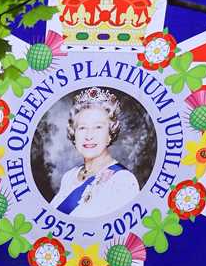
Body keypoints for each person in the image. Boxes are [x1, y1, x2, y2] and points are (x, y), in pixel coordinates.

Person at [54, 89, 141, 218]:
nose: (89, 136)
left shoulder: (123, 181)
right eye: (82, 128)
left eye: (98, 127)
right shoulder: (69, 177)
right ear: (74, 133)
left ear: (110, 135)